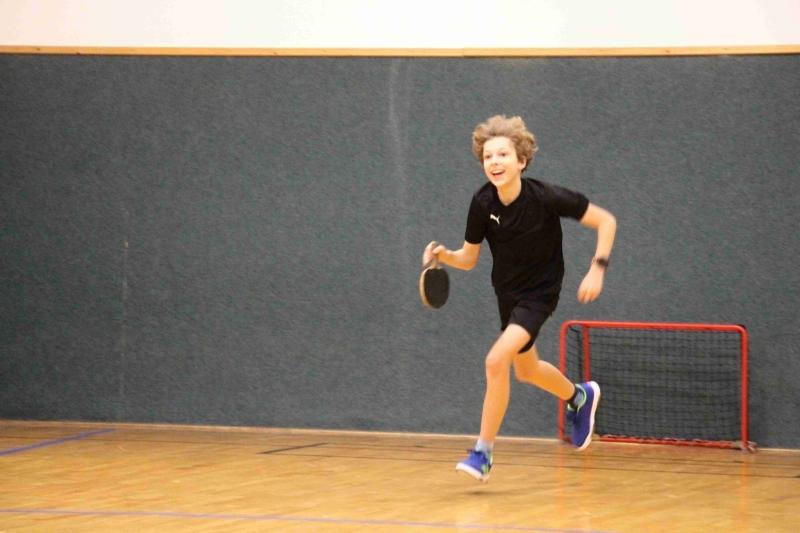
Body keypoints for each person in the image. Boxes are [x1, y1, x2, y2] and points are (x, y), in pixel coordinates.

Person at [422, 115, 617, 482]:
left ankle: (483, 453)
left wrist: (597, 268)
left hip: (540, 293)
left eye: (503, 154)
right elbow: (469, 258)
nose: (494, 162)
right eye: (488, 156)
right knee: (526, 370)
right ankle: (579, 397)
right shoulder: (482, 203)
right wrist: (444, 255)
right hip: (507, 294)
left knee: (496, 360)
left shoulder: (546, 197)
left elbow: (606, 221)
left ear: (521, 160)